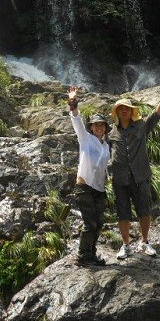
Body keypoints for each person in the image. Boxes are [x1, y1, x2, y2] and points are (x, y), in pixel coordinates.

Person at [109, 80, 160, 259]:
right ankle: (125, 245)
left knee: (144, 210)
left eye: (127, 108)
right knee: (123, 212)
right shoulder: (110, 132)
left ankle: (145, 241)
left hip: (140, 176)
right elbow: (103, 153)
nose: (125, 110)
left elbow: (156, 115)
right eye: (121, 108)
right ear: (116, 112)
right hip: (120, 179)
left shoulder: (141, 126)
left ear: (131, 111)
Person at [67, 86, 111, 266]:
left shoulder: (107, 146)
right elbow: (76, 120)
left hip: (99, 189)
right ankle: (83, 256)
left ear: (106, 128)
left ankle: (91, 254)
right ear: (91, 127)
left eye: (102, 124)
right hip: (84, 186)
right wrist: (73, 102)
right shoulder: (85, 138)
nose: (99, 127)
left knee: (99, 224)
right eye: (96, 124)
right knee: (90, 223)